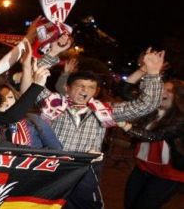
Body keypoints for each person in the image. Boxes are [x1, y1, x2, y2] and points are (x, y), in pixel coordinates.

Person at [21, 47, 165, 208]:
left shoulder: (104, 110)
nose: (85, 90)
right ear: (67, 88)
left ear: (95, 92)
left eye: (90, 87)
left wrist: (152, 73)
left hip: (86, 169)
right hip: (52, 167)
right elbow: (35, 82)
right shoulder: (53, 102)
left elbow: (145, 106)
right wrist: (53, 53)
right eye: (80, 85)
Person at [119, 79, 184, 209]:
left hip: (168, 174)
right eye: (161, 89)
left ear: (179, 96)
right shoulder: (151, 109)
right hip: (142, 168)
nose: (162, 92)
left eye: (169, 91)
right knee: (129, 204)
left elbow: (153, 136)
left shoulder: (180, 118)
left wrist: (123, 124)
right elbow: (124, 91)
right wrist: (143, 69)